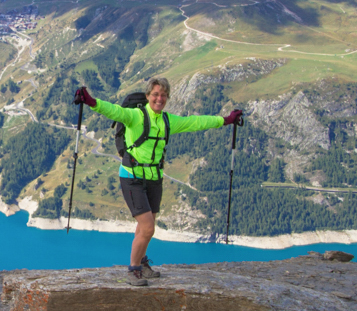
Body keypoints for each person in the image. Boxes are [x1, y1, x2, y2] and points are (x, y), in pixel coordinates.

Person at [74, 78, 242, 286]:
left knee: (145, 226)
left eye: (163, 95)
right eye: (155, 94)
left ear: (167, 98)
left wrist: (226, 120)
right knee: (148, 228)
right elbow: (113, 111)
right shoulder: (134, 116)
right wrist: (90, 101)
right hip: (132, 177)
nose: (159, 99)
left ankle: (142, 263)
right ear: (147, 96)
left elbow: (197, 123)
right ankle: (133, 270)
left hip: (154, 179)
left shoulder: (168, 121)